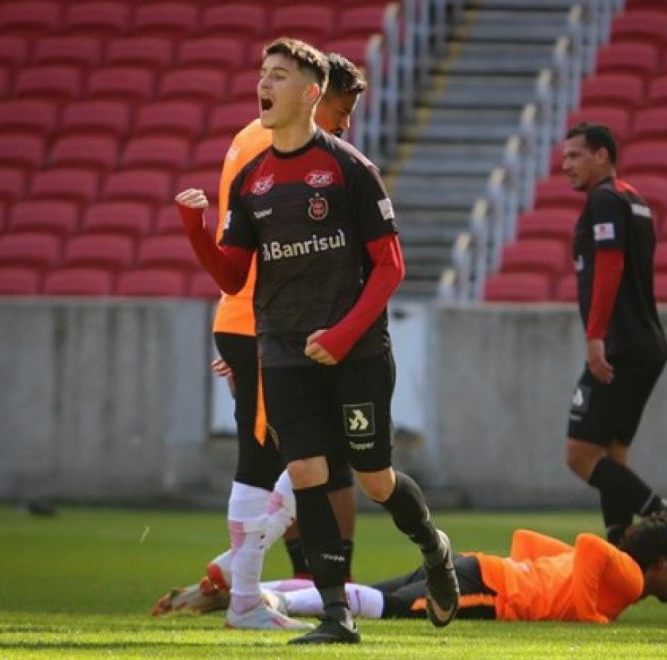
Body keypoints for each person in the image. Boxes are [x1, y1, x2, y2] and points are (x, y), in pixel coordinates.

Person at [175, 37, 460, 645]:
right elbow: (233, 276)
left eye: (279, 75)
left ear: (309, 93)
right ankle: (336, 615)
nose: (265, 83)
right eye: (263, 73)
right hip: (282, 351)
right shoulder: (251, 180)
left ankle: (434, 548)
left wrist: (342, 335)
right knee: (306, 473)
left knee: (374, 480)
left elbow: (391, 267)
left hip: (355, 352)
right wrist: (195, 232)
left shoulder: (350, 170)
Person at [152, 51, 368, 632]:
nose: (346, 124)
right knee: (291, 457)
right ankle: (241, 586)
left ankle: (252, 580)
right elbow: (270, 243)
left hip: (257, 322)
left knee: (308, 454)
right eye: (343, 109)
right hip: (271, 324)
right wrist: (253, 333)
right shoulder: (275, 145)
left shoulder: (259, 138)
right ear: (316, 93)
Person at [561, 122, 667, 545]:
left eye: (575, 156)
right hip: (647, 343)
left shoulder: (604, 199)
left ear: (602, 156)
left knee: (580, 455)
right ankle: (621, 551)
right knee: (613, 454)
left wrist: (595, 336)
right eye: (565, 157)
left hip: (619, 346)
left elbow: (611, 265)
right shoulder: (635, 200)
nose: (566, 165)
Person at [263, 512, 667, 624]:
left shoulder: (617, 577)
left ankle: (252, 589)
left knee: (373, 593)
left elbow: (525, 539)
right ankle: (274, 601)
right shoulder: (631, 578)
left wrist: (537, 577)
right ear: (662, 562)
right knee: (390, 607)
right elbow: (591, 545)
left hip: (480, 569)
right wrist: (587, 615)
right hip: (492, 589)